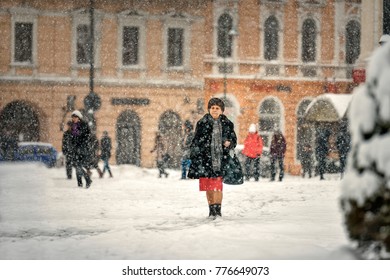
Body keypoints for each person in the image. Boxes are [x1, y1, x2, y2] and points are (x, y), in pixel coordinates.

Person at [188, 97, 238, 219]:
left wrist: (229, 143)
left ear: (222, 111)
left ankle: (218, 211)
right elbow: (196, 141)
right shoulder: (202, 123)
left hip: (221, 160)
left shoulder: (227, 124)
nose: (214, 110)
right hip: (205, 159)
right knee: (208, 186)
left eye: (217, 108)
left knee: (217, 186)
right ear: (209, 109)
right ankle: (211, 211)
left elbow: (234, 140)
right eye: (212, 108)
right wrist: (197, 152)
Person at [69, 110, 92, 188]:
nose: (73, 119)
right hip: (75, 148)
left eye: (75, 117)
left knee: (78, 165)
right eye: (73, 117)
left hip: (82, 148)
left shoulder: (84, 125)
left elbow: (87, 136)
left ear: (79, 118)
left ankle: (86, 180)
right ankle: (81, 182)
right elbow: (72, 137)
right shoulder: (73, 126)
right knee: (77, 165)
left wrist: (81, 140)